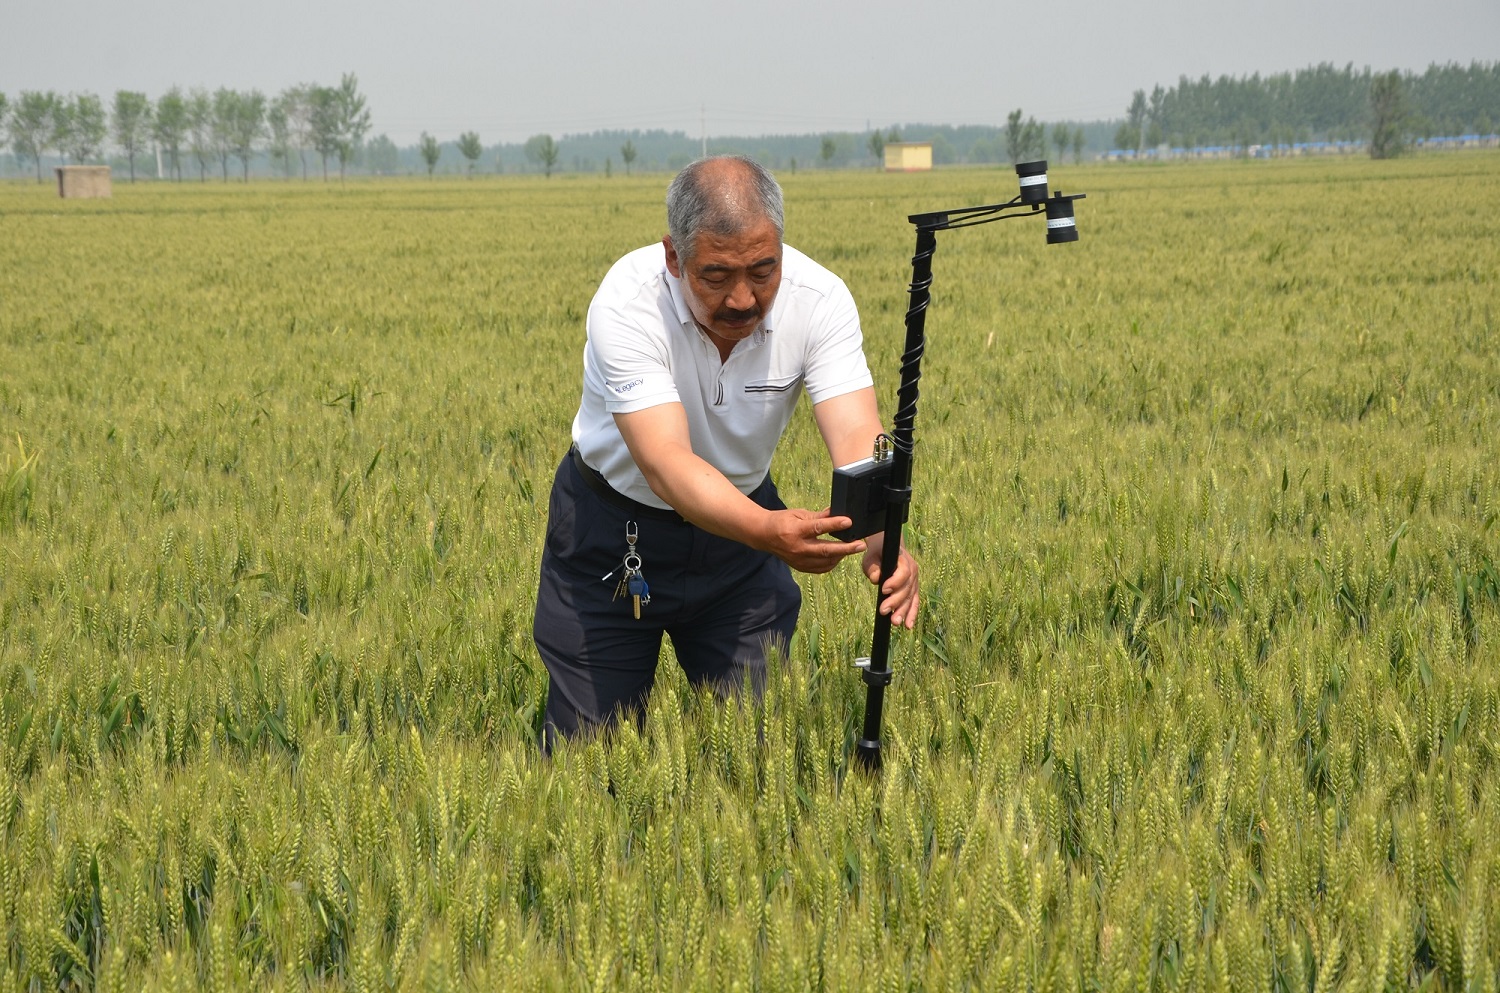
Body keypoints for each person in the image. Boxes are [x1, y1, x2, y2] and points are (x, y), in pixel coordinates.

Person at [532, 155, 919, 748]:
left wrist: (880, 537)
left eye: (764, 270)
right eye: (716, 276)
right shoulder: (628, 303)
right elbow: (665, 462)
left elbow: (856, 436)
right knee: (588, 761)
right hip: (612, 539)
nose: (743, 298)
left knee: (756, 750)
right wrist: (768, 532)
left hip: (741, 550)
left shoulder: (819, 299)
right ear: (673, 257)